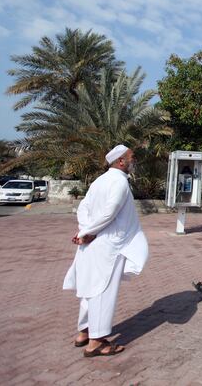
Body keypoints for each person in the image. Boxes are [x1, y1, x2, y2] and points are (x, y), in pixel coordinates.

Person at [63, 144, 149, 357]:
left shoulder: (99, 181)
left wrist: (86, 231)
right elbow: (109, 213)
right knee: (102, 292)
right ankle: (97, 342)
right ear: (121, 161)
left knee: (89, 290)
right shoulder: (119, 182)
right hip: (109, 247)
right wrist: (87, 232)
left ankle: (84, 332)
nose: (134, 161)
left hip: (93, 243)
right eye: (131, 157)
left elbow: (83, 208)